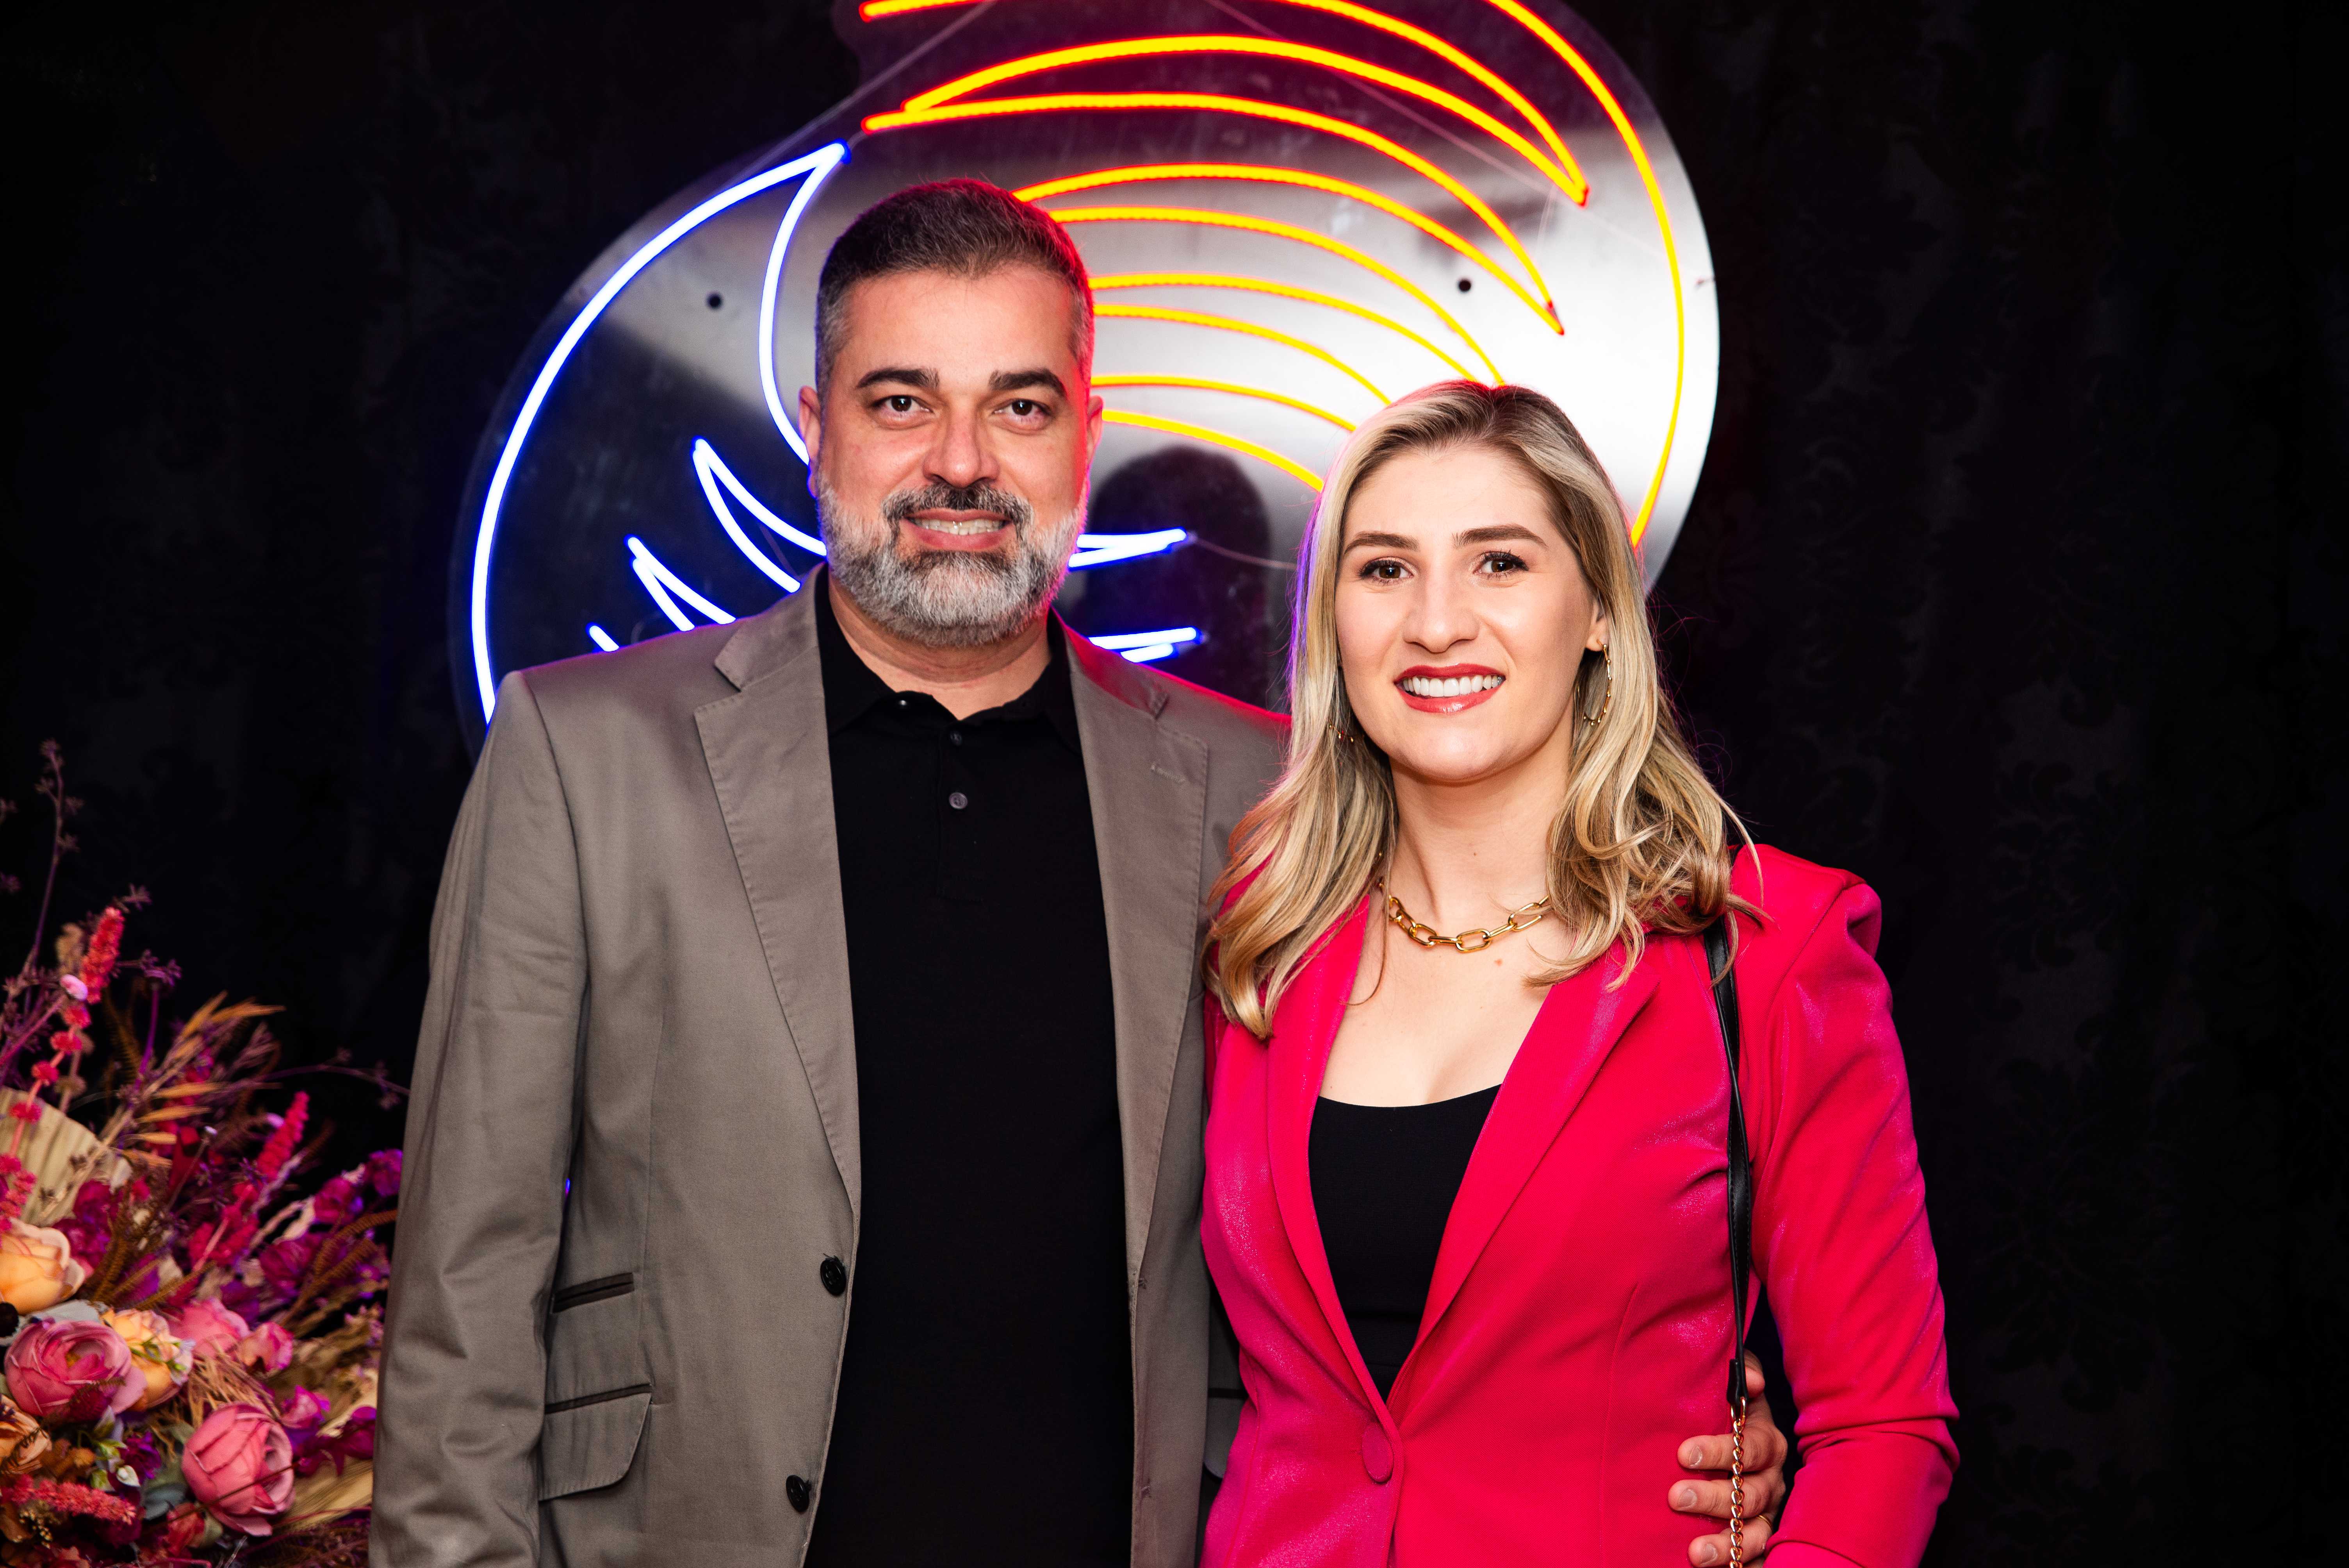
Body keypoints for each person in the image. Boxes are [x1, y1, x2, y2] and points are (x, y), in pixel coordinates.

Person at [372, 182, 1782, 1567]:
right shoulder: (588, 755)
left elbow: (1429, 1190)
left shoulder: (1258, 793)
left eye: (1022, 407)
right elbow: (466, 1284)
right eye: (902, 402)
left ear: (1086, 435)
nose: (963, 464)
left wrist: (1679, 1405)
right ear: (814, 428)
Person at [1199, 382, 1957, 1566]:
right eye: (1385, 569)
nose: (1436, 623)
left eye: (1499, 563)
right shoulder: (1257, 947)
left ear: (1599, 608)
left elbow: (1886, 1427)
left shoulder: (1763, 950)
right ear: (1331, 621)